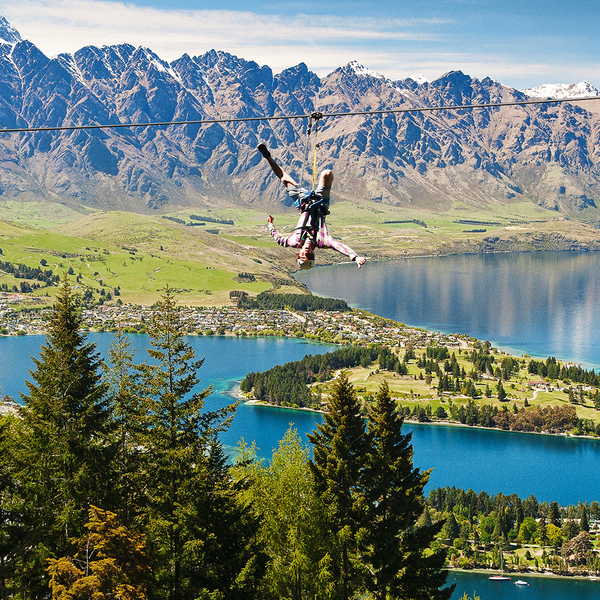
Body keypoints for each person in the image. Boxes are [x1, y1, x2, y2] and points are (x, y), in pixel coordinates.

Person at [258, 144, 366, 270]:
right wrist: (354, 256)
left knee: (284, 179)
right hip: (320, 203)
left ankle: (267, 156)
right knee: (327, 174)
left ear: (299, 255)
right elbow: (338, 246)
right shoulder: (322, 241)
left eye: (303, 255)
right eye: (309, 255)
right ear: (313, 255)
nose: (306, 252)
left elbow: (279, 239)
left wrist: (270, 224)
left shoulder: (294, 241)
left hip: (303, 202)